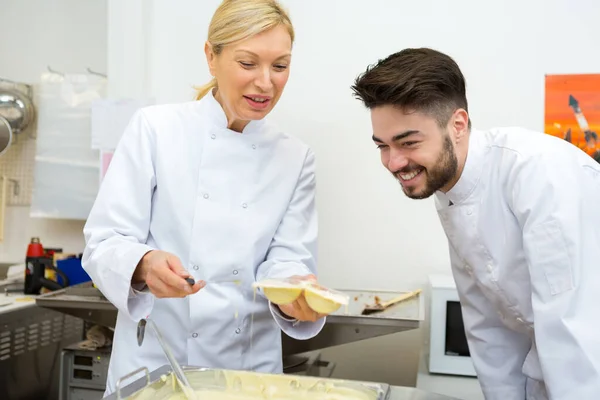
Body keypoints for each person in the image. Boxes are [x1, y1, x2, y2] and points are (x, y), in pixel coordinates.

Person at [82, 0, 328, 395]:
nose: (266, 82)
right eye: (248, 63)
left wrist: (293, 293)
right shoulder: (156, 129)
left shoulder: (295, 157)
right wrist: (144, 264)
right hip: (157, 366)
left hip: (248, 371)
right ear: (211, 57)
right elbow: (103, 242)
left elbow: (287, 258)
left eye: (279, 66)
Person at [351, 47, 600, 399]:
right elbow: (488, 325)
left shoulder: (537, 173)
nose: (393, 163)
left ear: (457, 125)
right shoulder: (450, 187)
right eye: (383, 146)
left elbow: (572, 326)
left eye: (408, 143)